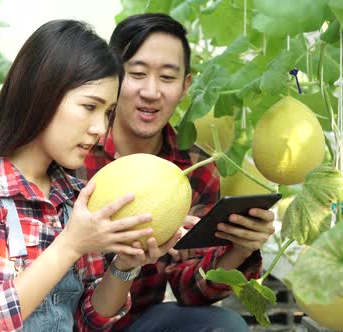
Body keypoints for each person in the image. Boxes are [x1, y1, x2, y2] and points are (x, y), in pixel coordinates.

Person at [0, 19, 182, 332]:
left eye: (107, 113)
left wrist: (126, 265)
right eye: (89, 106)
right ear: (42, 94)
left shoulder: (73, 194)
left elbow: (87, 321)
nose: (100, 129)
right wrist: (69, 245)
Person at [77, 13, 276, 331]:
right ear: (111, 77)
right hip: (61, 320)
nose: (152, 92)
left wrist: (240, 248)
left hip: (136, 323)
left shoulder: (195, 168)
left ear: (186, 86)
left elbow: (190, 289)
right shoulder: (76, 148)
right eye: (137, 73)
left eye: (167, 78)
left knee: (226, 325)